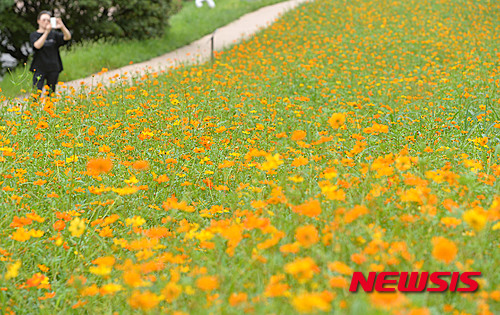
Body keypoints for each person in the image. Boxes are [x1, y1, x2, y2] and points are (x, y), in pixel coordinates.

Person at [29, 11, 71, 95]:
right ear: (38, 21)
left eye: (48, 20)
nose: (46, 22)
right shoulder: (34, 35)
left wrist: (62, 26)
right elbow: (37, 46)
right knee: (36, 93)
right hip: (39, 68)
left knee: (51, 93)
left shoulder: (54, 34)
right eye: (43, 20)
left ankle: (49, 107)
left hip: (53, 68)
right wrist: (46, 32)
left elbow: (67, 37)